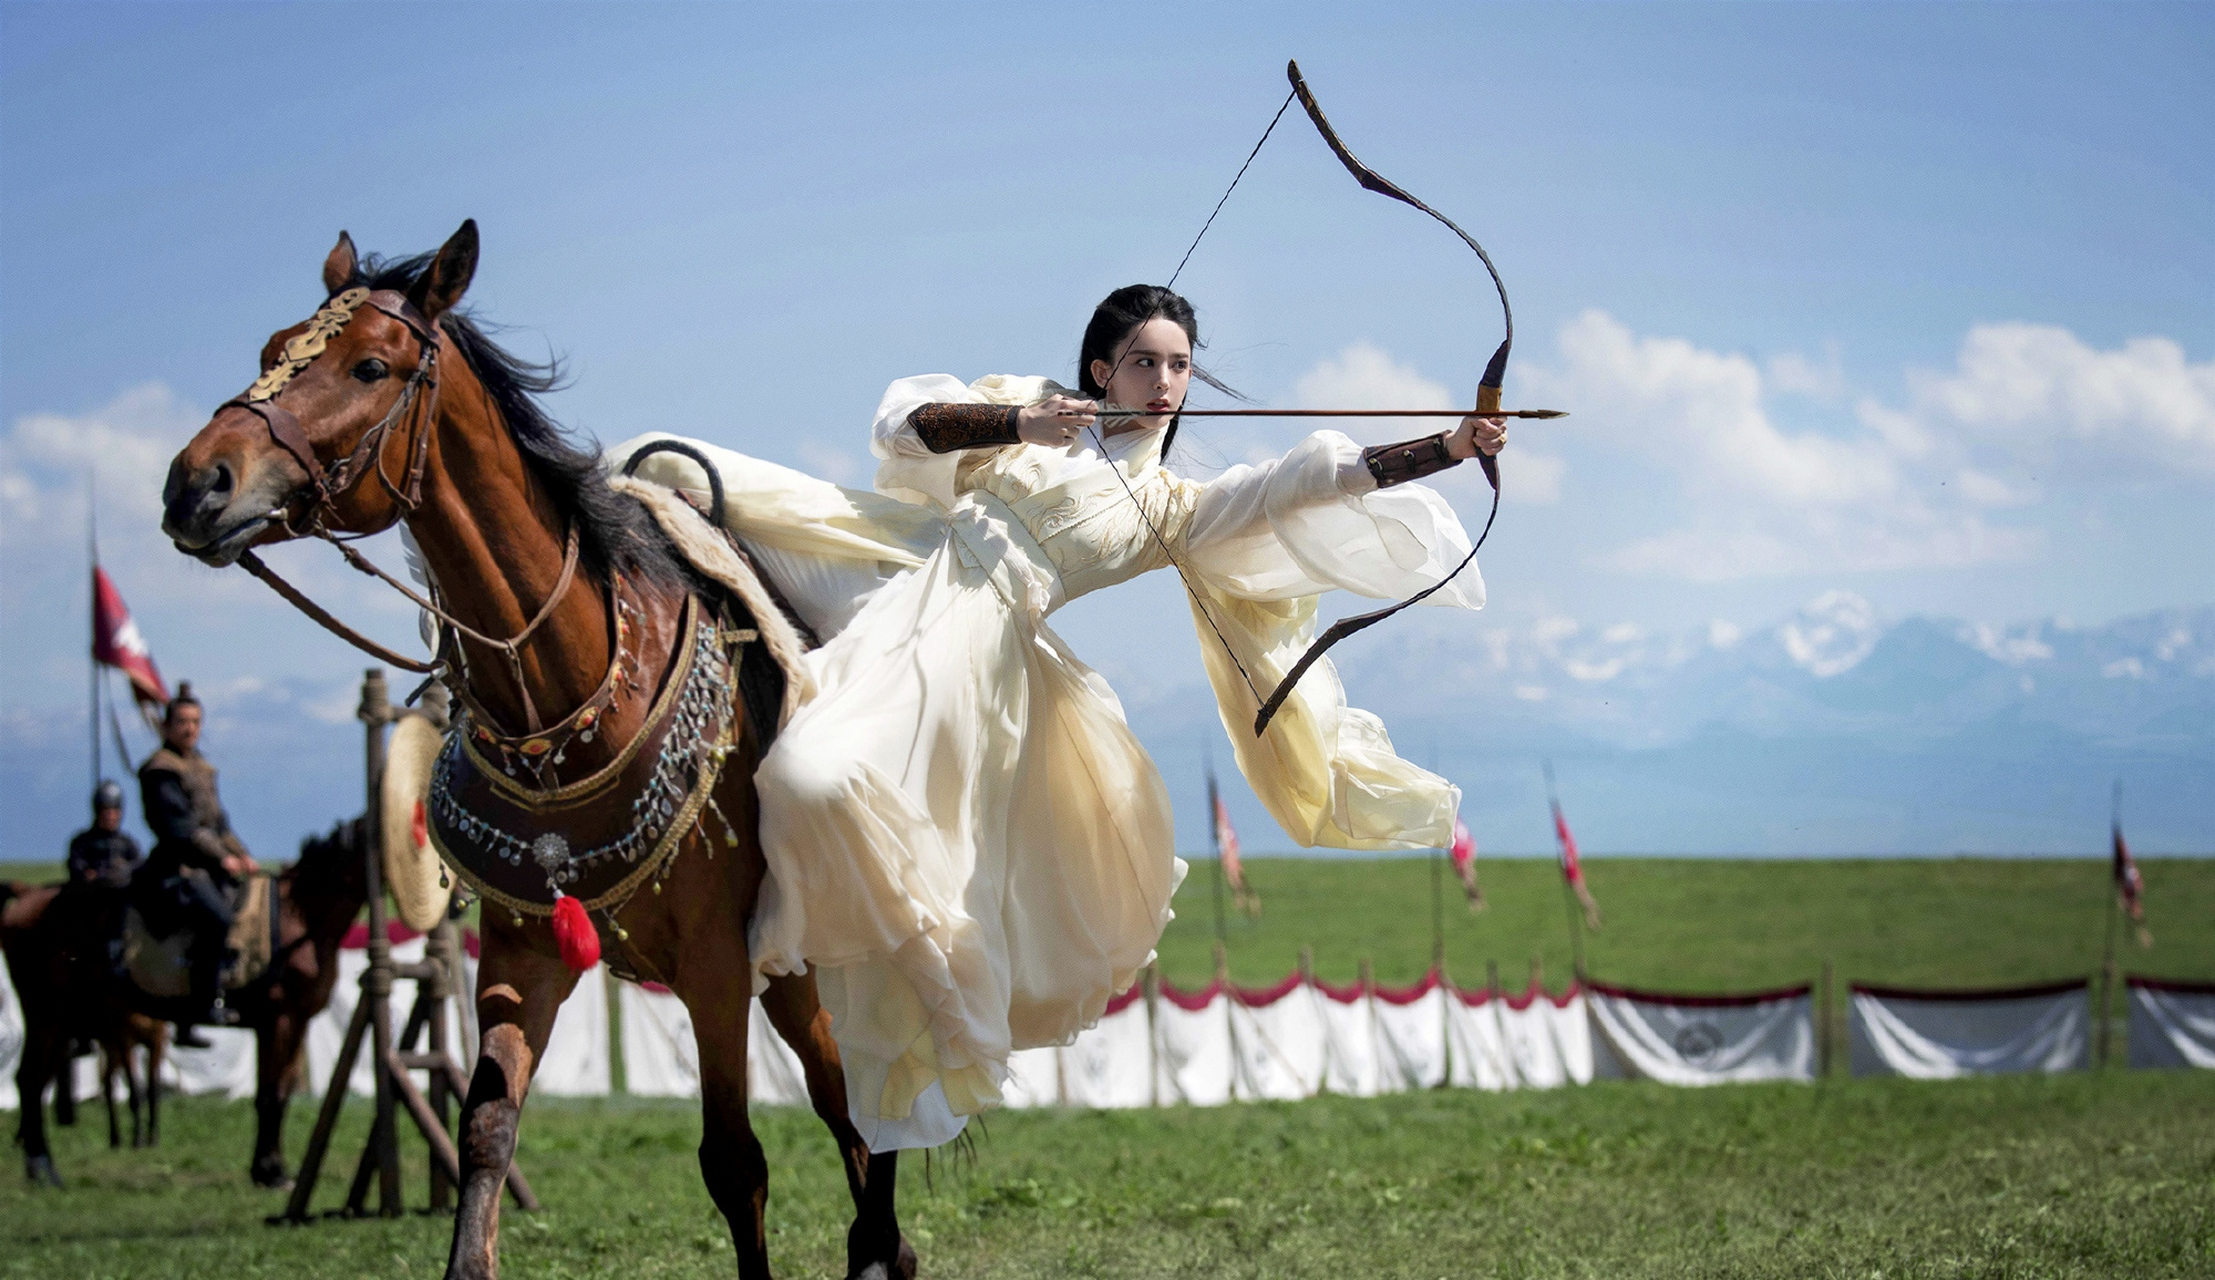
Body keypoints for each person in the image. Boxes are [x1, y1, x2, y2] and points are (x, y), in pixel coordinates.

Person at [613, 283, 1504, 1151]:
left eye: (1179, 367)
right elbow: (906, 426)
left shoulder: (1171, 508)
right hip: (893, 557)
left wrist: (1450, 446)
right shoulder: (1031, 410)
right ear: (1100, 370)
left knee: (817, 775)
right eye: (1143, 362)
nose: (1164, 382)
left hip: (976, 645)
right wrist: (1018, 424)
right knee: (669, 475)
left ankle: (773, 934)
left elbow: (1307, 482)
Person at [135, 682, 258, 1045]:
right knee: (216, 917)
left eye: (195, 722)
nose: (190, 728)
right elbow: (183, 829)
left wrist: (243, 854)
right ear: (167, 726)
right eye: (183, 722)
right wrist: (225, 858)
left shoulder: (201, 767)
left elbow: (219, 824)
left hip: (210, 864)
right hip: (176, 866)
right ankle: (200, 1006)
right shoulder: (160, 770)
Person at [67, 780, 143, 889]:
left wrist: (124, 871)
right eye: (106, 811)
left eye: (114, 812)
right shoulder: (82, 843)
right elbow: (76, 866)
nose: (110, 817)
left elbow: (138, 866)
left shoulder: (127, 844)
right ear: (98, 812)